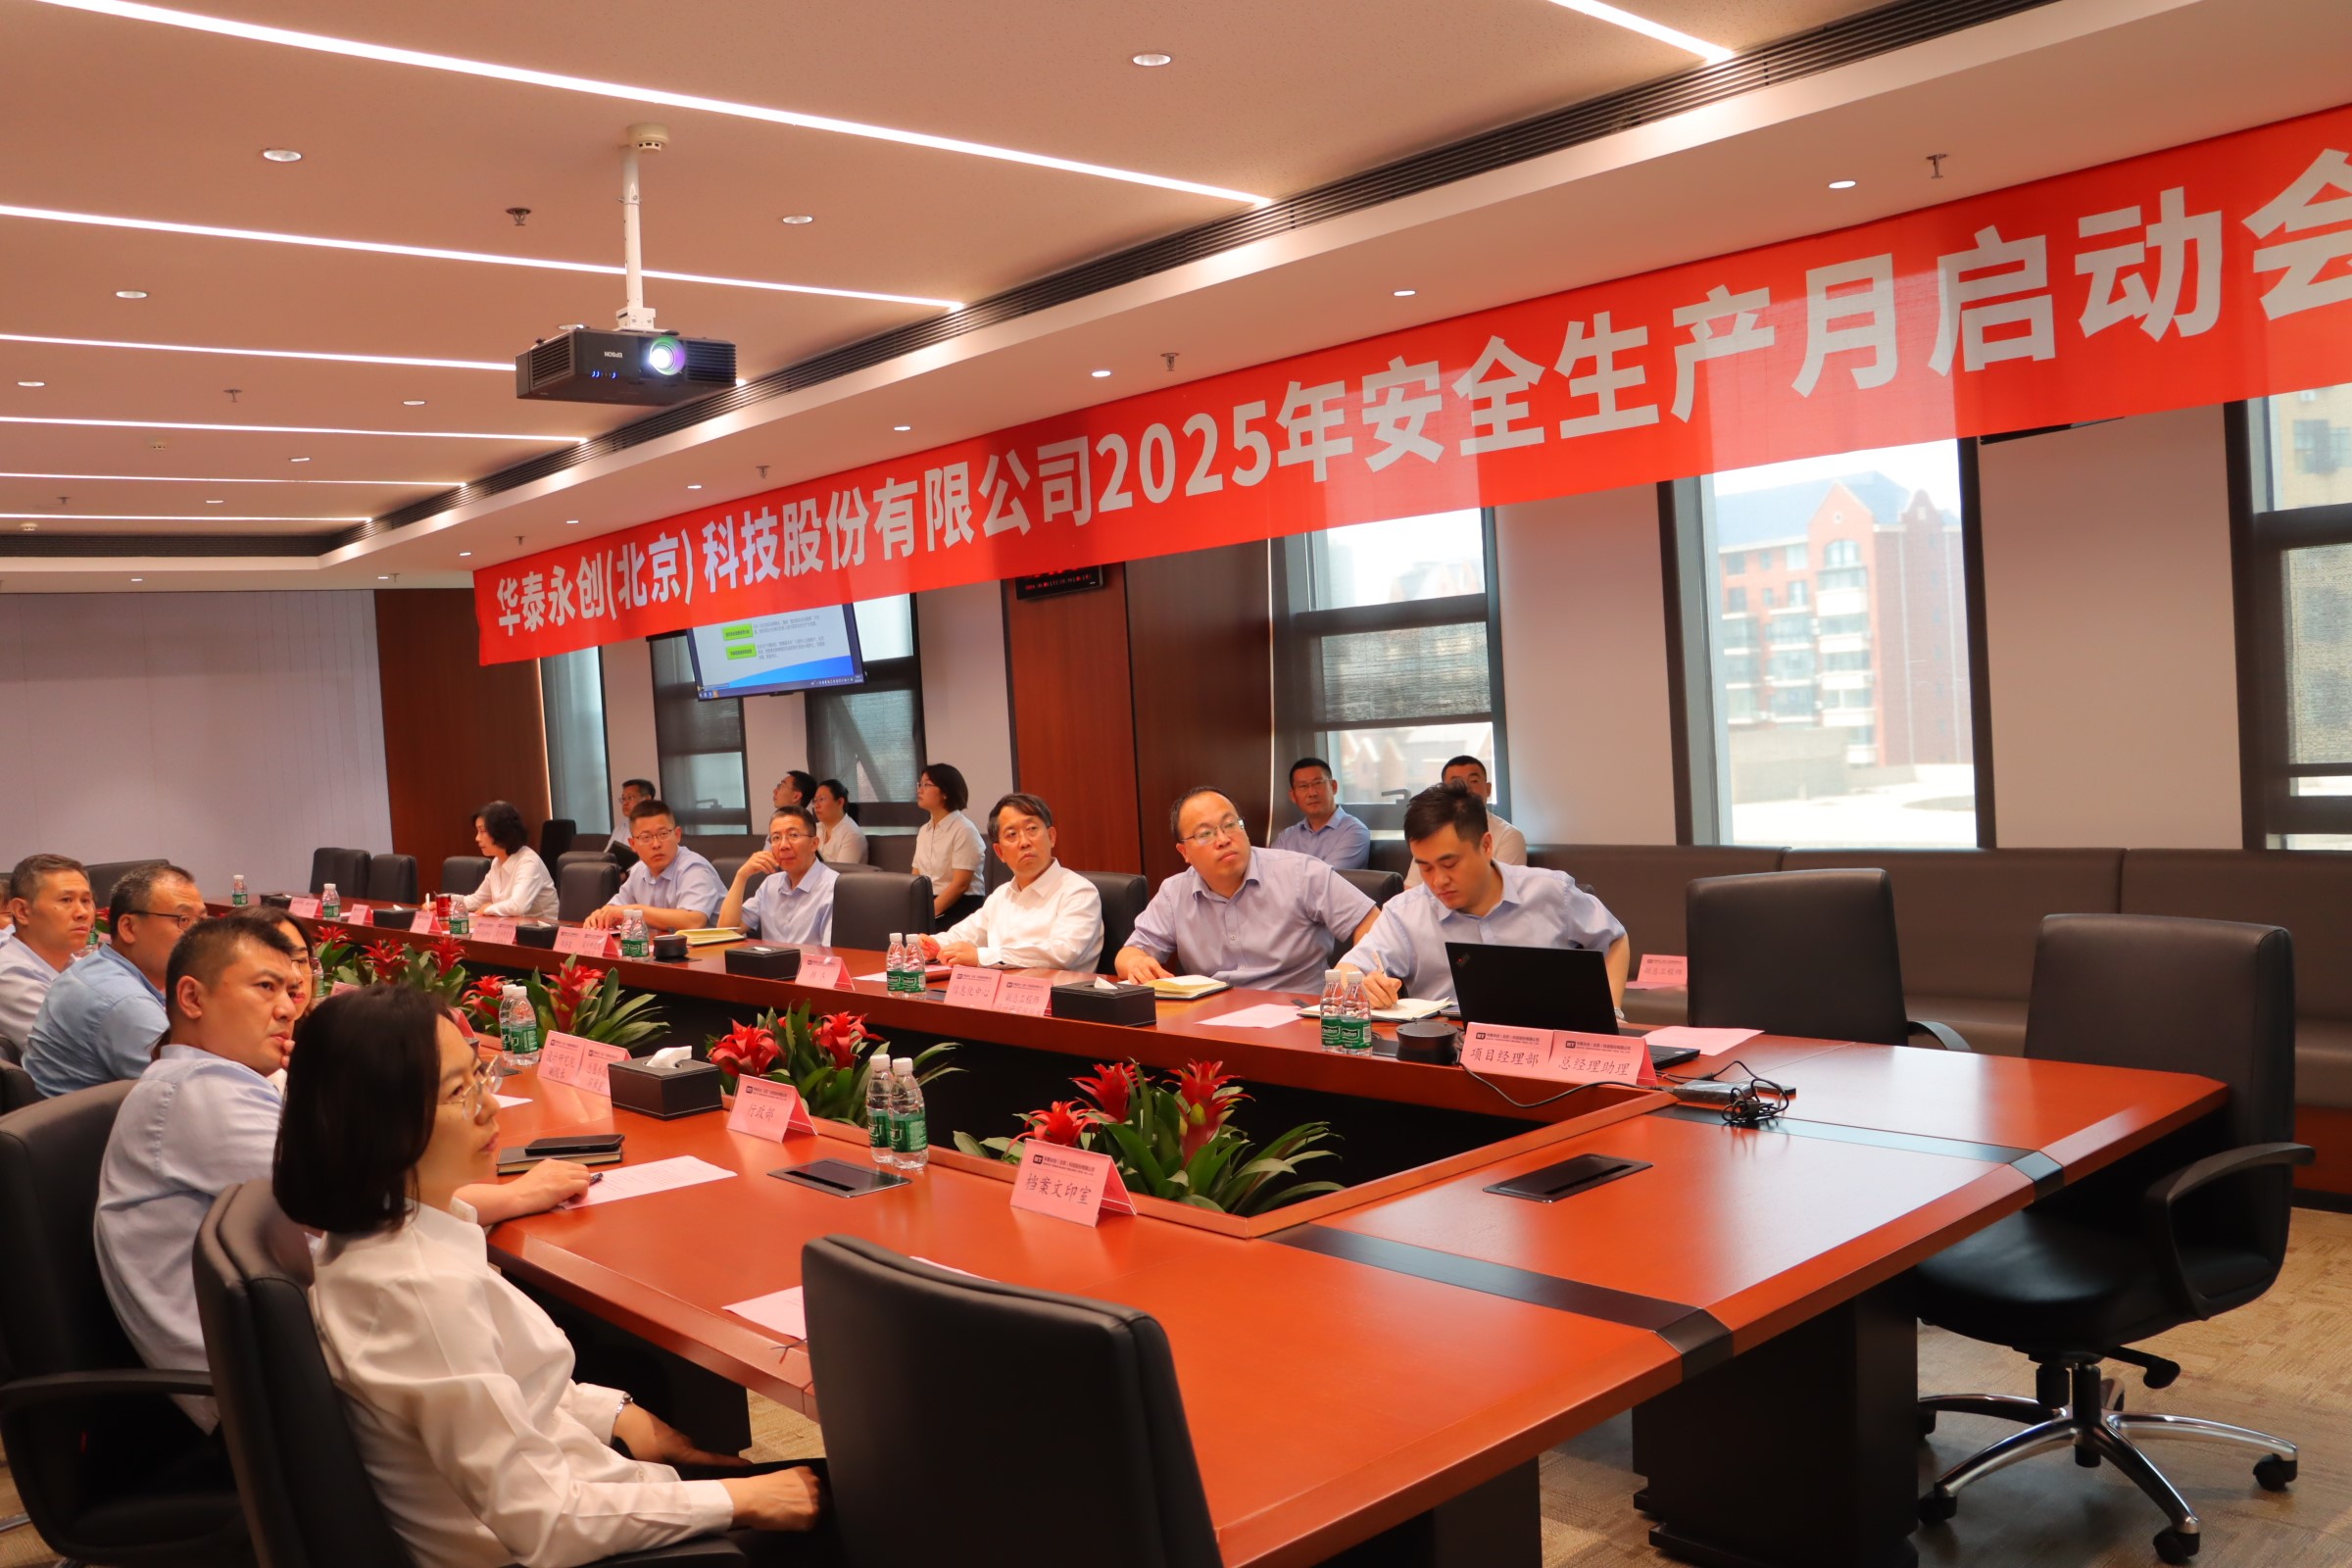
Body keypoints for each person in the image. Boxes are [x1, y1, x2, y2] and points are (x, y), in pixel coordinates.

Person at [278, 986, 823, 1567]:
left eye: (478, 1076)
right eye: (458, 1092)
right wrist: (739, 1501)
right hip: (565, 1547)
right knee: (867, 1505)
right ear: (377, 1125)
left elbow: (513, 1392)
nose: (489, 1106)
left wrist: (614, 1414)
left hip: (587, 1494)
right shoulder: (416, 1290)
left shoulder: (393, 1230)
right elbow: (545, 1520)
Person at [93, 915, 592, 1435]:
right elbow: (361, 1199)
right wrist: (519, 1195)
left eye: (291, 989)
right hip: (268, 1405)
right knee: (562, 1352)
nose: (287, 1009)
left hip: (305, 1344)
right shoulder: (199, 1095)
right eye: (264, 988)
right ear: (192, 998)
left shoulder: (228, 1077)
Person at [1341, 784, 1627, 1009]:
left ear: (1486, 845)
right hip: (1447, 1052)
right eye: (1425, 867)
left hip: (1543, 1046)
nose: (1438, 881)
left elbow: (1615, 940)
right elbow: (1347, 970)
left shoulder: (1551, 892)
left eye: (1450, 864)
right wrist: (1363, 985)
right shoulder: (1405, 912)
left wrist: (1612, 1012)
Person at [1116, 789, 1381, 995]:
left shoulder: (1301, 873)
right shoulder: (1174, 893)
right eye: (1205, 834)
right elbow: (1128, 954)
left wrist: (1355, 970)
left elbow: (1372, 923)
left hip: (1299, 1014)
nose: (1223, 839)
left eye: (1230, 825)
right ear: (1184, 851)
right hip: (1214, 1019)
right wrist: (1137, 963)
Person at [24, 861, 204, 1098]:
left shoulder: (105, 966)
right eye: (184, 920)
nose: (199, 935)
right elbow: (192, 1095)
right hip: (93, 1122)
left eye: (202, 921)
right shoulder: (123, 1001)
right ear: (129, 928)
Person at [925, 794, 1102, 971]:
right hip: (1001, 987)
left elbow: (1063, 953)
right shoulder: (1001, 895)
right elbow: (964, 934)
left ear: (1051, 837)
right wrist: (932, 944)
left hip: (1060, 988)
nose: (1024, 842)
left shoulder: (1078, 891)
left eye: (1032, 829)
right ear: (1000, 852)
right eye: (1012, 834)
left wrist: (982, 956)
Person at [0, 854, 93, 1061]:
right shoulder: (10, 976)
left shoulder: (75, 965)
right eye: (66, 900)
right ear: (22, 911)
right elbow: (75, 1055)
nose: (83, 913)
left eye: (86, 900)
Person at [588, 800, 725, 931]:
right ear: (633, 844)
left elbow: (694, 921)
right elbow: (615, 909)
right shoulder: (639, 870)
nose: (656, 844)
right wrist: (601, 916)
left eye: (663, 834)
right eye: (646, 837)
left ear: (677, 835)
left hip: (716, 946)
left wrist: (636, 910)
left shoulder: (694, 867)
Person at [717, 808, 837, 946]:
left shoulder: (833, 888)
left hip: (810, 961)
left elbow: (833, 953)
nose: (783, 846)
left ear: (814, 844)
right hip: (768, 959)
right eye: (776, 838)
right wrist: (741, 876)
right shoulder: (770, 884)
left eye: (793, 835)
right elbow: (725, 933)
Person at [1402, 756, 1526, 888]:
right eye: (1456, 783)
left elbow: (1502, 890)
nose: (1466, 788)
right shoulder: (1430, 832)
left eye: (1473, 781)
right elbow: (1411, 888)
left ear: (1488, 788)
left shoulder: (1509, 836)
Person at [910, 762, 985, 923]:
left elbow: (960, 884)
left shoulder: (964, 829)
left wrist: (926, 915)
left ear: (945, 792)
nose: (920, 790)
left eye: (926, 785)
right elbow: (916, 876)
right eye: (919, 784)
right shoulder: (924, 831)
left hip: (960, 906)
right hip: (929, 903)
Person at [466, 800, 561, 921]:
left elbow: (518, 906)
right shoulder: (497, 861)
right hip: (510, 927)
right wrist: (447, 902)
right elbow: (476, 900)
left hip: (542, 929)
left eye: (482, 831)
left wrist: (488, 909)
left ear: (501, 831)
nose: (477, 838)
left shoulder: (528, 862)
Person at [1271, 757, 1371, 869]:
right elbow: (1269, 872)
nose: (1312, 793)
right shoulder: (1286, 837)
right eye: (1303, 786)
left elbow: (1326, 876)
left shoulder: (1354, 831)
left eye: (1317, 783)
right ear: (1293, 796)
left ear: (1333, 787)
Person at [809, 779, 866, 865]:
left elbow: (842, 872)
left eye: (821, 799)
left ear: (840, 802)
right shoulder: (814, 829)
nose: (816, 806)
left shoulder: (852, 835)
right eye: (815, 800)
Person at [606, 778, 655, 858]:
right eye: (623, 798)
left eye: (630, 798)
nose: (625, 803)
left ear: (647, 799)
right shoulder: (620, 828)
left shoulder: (657, 826)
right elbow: (606, 857)